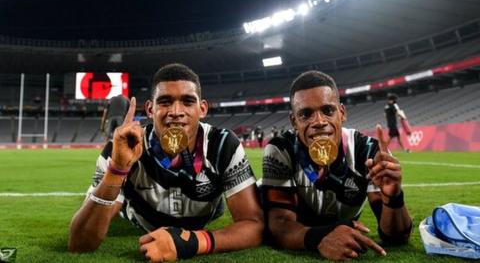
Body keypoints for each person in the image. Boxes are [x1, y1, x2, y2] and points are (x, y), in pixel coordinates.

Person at [69, 63, 264, 262]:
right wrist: (117, 169)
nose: (176, 111)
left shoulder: (223, 144)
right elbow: (79, 243)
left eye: (188, 101)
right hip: (140, 218)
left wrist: (193, 242)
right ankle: (119, 199)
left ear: (202, 108)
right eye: (165, 102)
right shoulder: (123, 147)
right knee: (117, 204)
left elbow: (254, 225)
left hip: (206, 212)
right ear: (150, 109)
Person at [260, 71, 412, 261]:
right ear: (294, 121)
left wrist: (393, 196)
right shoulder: (280, 149)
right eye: (306, 114)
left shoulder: (369, 152)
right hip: (299, 221)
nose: (319, 122)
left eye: (328, 110)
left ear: (342, 113)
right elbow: (280, 226)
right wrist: (320, 237)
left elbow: (396, 237)